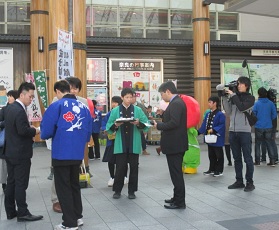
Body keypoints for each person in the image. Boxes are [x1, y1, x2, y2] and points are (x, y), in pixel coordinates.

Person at [41, 80, 92, 230]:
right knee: (74, 185)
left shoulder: (56, 105)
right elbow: (88, 133)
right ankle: (77, 217)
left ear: (57, 91)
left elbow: (46, 131)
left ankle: (69, 223)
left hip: (61, 151)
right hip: (77, 152)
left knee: (63, 187)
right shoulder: (83, 106)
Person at [4, 82, 43, 221]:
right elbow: (23, 131)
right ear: (22, 94)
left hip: (10, 151)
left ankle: (10, 211)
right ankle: (22, 212)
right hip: (20, 153)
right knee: (21, 183)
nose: (31, 99)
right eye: (30, 96)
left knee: (12, 182)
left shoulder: (9, 108)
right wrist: (36, 130)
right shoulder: (19, 110)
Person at [106, 88, 149, 199]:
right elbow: (108, 126)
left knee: (134, 167)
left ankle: (132, 191)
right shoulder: (115, 110)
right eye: (127, 97)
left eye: (131, 97)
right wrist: (116, 125)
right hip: (120, 143)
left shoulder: (138, 110)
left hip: (134, 142)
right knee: (120, 167)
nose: (129, 99)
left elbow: (146, 124)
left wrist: (138, 123)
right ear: (122, 98)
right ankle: (117, 190)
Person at [153, 81, 188, 209]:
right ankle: (176, 197)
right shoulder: (175, 103)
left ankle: (180, 202)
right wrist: (163, 115)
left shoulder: (176, 103)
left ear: (168, 91)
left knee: (176, 174)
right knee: (175, 173)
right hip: (175, 144)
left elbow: (174, 123)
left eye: (162, 94)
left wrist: (159, 125)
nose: (162, 97)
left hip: (175, 144)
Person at [222, 76, 256, 192]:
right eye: (237, 84)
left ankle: (250, 182)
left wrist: (233, 96)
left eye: (240, 84)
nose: (238, 86)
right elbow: (228, 111)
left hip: (244, 132)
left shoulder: (250, 98)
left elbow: (242, 108)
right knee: (237, 158)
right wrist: (224, 97)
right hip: (233, 131)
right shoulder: (234, 97)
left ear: (246, 85)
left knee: (247, 158)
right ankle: (239, 181)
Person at [102, 96, 128, 186]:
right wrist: (105, 129)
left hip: (121, 140)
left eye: (115, 102)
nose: (113, 104)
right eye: (112, 102)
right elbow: (104, 124)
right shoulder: (109, 113)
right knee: (111, 160)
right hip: (111, 140)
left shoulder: (124, 113)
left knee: (123, 160)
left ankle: (124, 176)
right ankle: (112, 177)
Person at [198, 96, 226, 177]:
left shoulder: (220, 114)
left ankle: (219, 170)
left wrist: (214, 130)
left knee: (219, 155)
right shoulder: (208, 113)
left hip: (217, 138)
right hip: (209, 138)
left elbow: (222, 125)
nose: (208, 104)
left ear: (215, 103)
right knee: (211, 155)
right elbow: (204, 125)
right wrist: (198, 132)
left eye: (210, 102)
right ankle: (212, 169)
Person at [253, 87, 277, 166]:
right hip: (268, 126)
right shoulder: (271, 103)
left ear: (258, 94)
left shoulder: (256, 103)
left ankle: (257, 161)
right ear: (266, 93)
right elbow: (274, 115)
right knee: (269, 143)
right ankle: (272, 160)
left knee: (258, 144)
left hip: (259, 126)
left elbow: (254, 114)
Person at [0, 90, 18, 192]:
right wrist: (7, 123)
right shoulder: (4, 109)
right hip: (5, 141)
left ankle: (13, 183)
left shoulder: (20, 109)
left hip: (15, 142)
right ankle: (4, 184)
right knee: (3, 165)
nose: (9, 98)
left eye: (10, 96)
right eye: (8, 96)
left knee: (13, 165)